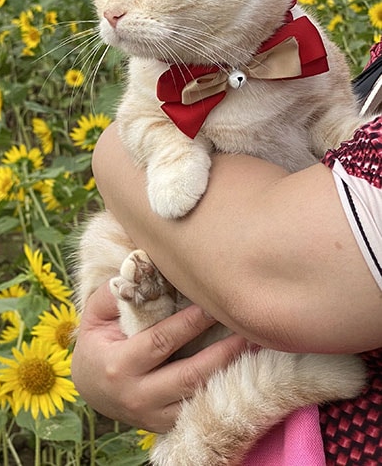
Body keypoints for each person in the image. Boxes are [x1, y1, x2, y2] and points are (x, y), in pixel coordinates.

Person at [71, 120, 382, 463]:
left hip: (333, 436)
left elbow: (268, 281)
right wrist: (100, 372)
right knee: (103, 237)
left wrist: (111, 150)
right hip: (250, 391)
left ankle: (150, 313)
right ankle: (146, 319)